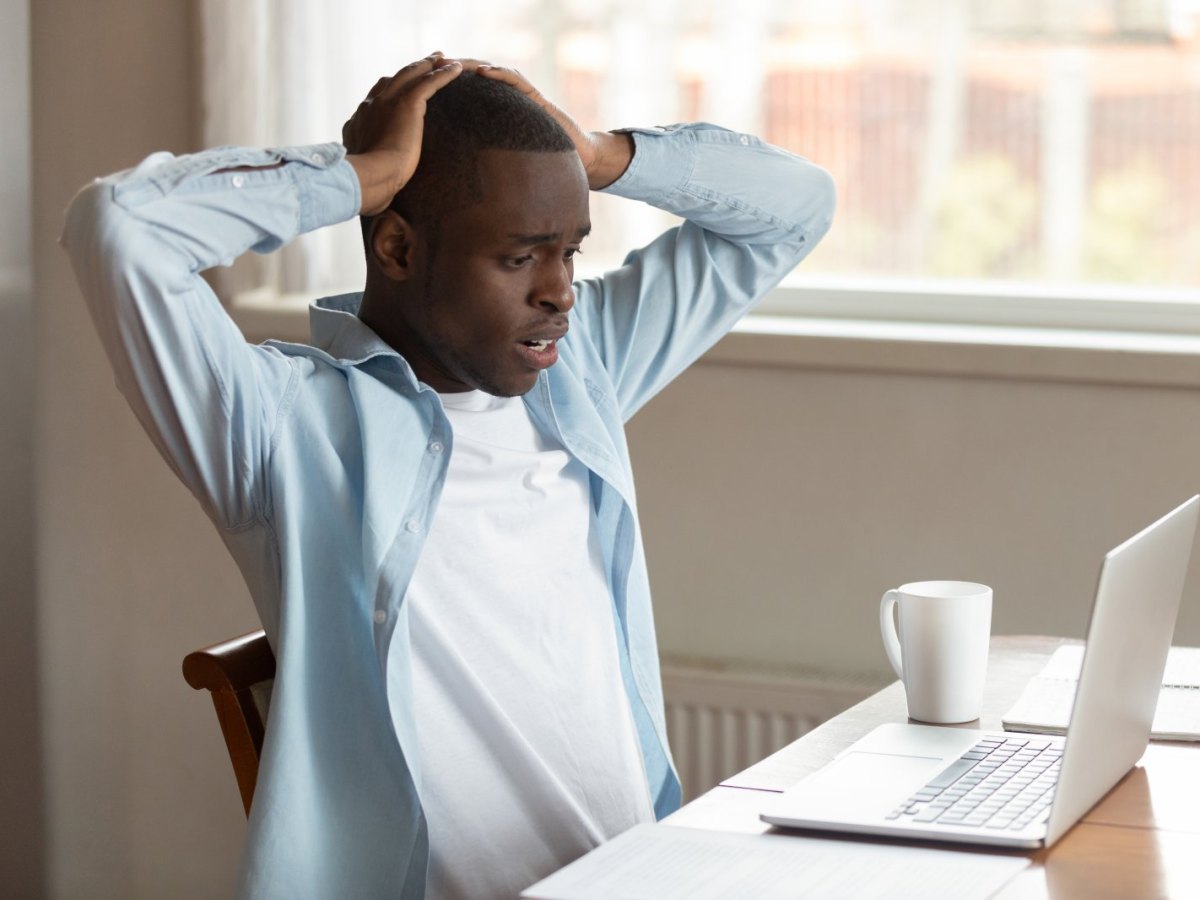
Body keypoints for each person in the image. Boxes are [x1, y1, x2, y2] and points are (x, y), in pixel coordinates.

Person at [62, 53, 835, 899]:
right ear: (396, 245)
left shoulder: (583, 370)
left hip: (638, 876)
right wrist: (357, 179)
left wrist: (600, 155)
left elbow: (797, 207)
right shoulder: (283, 426)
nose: (561, 292)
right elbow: (119, 228)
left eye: (570, 252)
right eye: (520, 258)